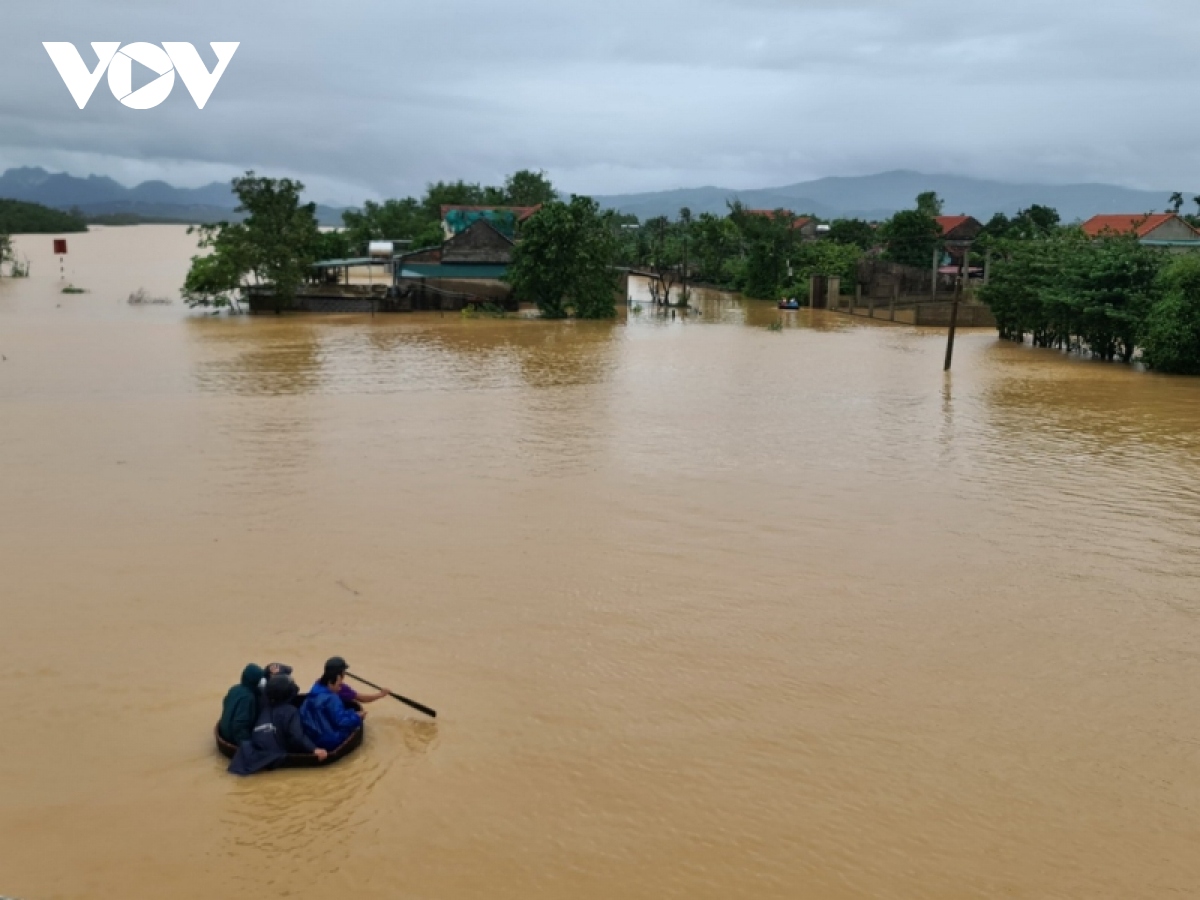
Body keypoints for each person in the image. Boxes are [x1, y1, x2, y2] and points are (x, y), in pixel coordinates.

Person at [228, 675, 328, 776]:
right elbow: (297, 736)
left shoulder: (264, 705)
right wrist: (314, 749)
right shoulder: (290, 711)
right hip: (274, 756)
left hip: (254, 752)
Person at [300, 657, 367, 751]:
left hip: (311, 738)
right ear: (338, 677)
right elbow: (342, 722)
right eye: (339, 685)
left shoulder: (315, 688)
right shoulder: (332, 698)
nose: (340, 688)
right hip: (329, 741)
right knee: (353, 721)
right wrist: (357, 717)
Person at [218, 663, 265, 745]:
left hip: (224, 730)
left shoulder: (234, 688)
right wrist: (248, 745)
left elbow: (225, 704)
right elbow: (239, 725)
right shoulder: (248, 698)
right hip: (232, 737)